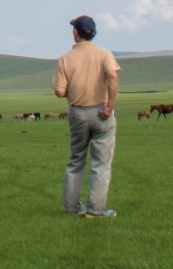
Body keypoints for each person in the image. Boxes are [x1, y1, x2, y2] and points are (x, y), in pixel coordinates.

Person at [52, 14, 119, 217]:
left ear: (75, 33)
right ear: (93, 33)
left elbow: (60, 92)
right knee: (101, 163)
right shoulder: (104, 54)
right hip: (102, 112)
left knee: (76, 159)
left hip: (78, 113)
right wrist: (110, 106)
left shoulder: (65, 59)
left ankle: (73, 208)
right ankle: (96, 210)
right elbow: (113, 75)